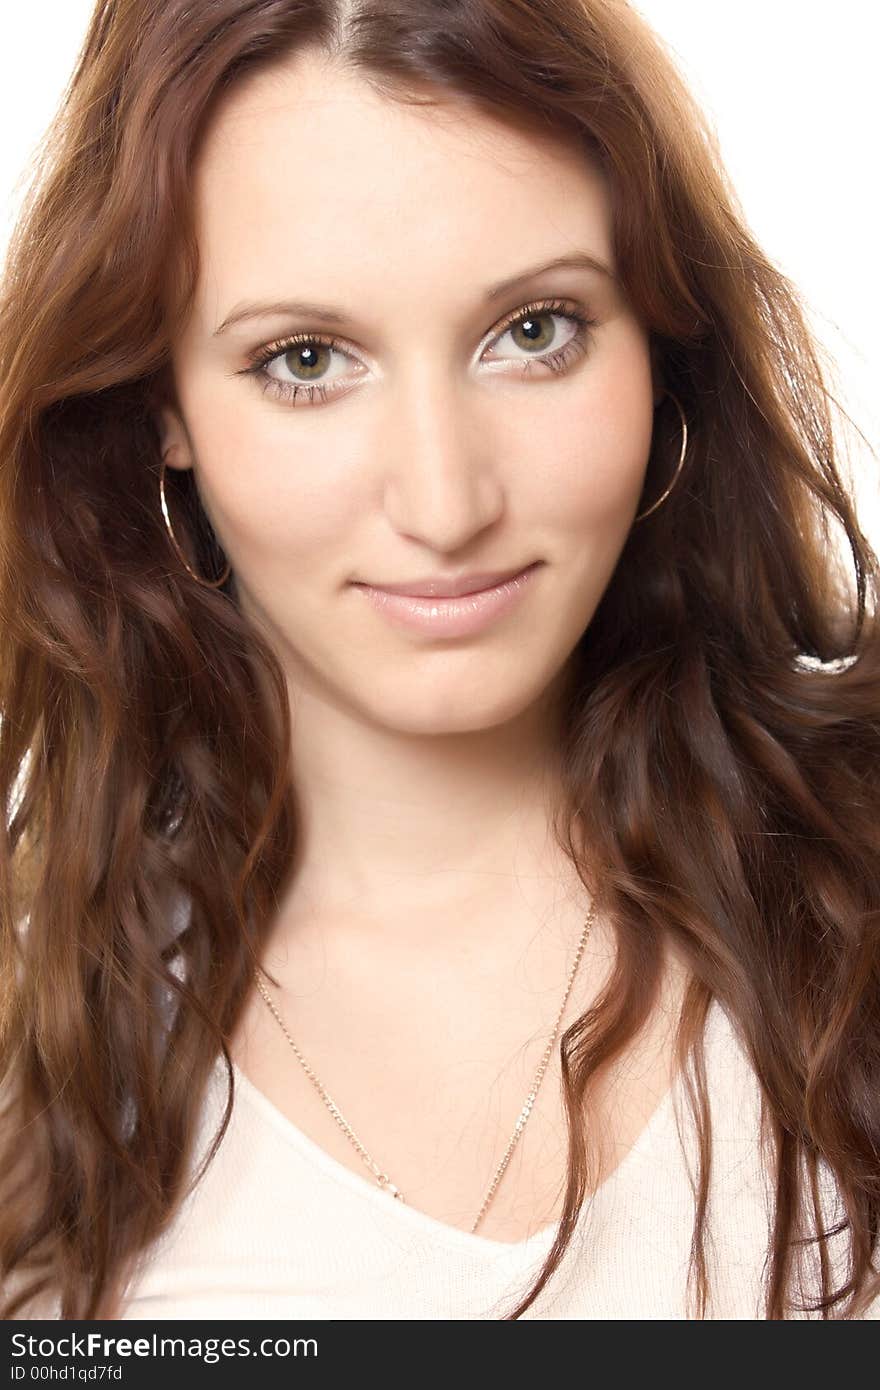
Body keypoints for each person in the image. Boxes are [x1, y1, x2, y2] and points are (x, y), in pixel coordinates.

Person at [1, 0, 878, 1322]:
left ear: (661, 347)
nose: (446, 498)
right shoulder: (38, 1047)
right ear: (160, 404)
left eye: (534, 331)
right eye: (306, 359)